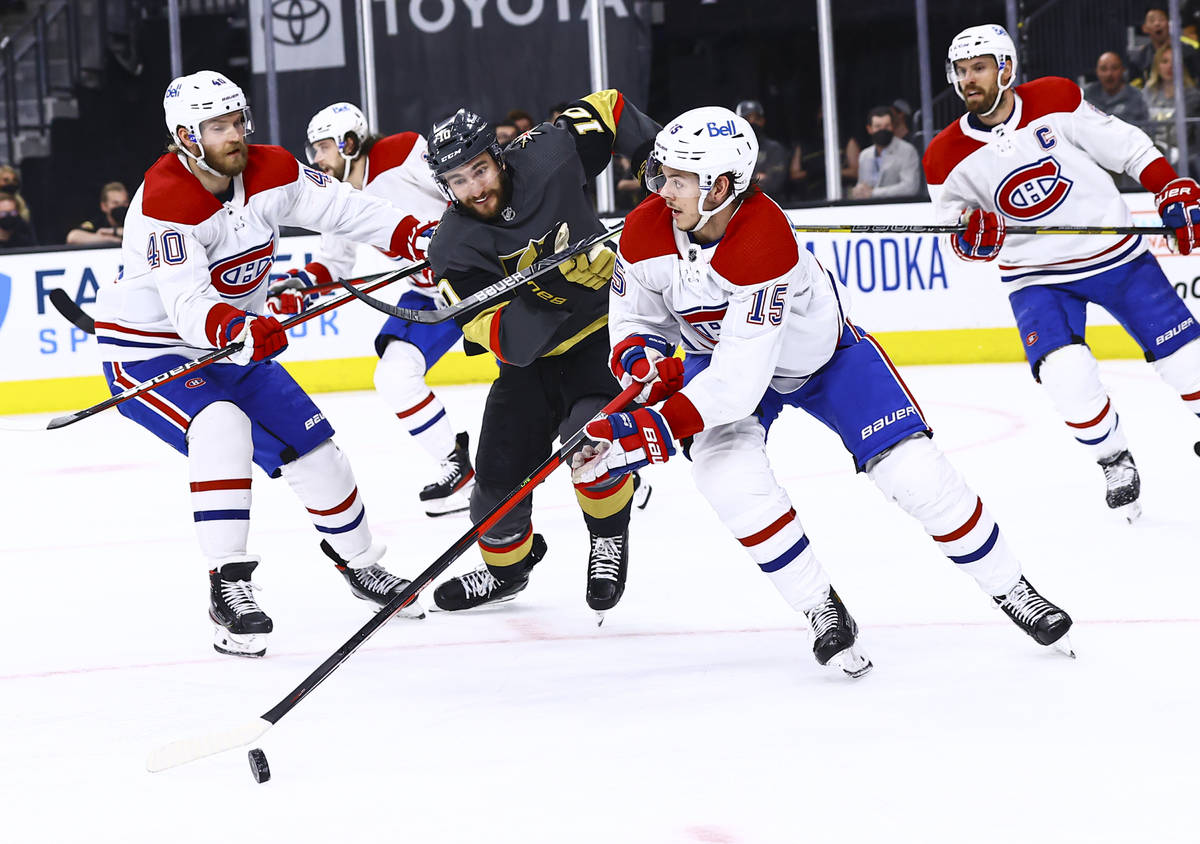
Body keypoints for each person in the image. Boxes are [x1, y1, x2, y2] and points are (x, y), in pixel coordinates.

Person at [572, 105, 1074, 676]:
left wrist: (650, 432)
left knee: (917, 476)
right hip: (721, 360)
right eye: (660, 174)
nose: (662, 190)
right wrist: (645, 355)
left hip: (825, 362)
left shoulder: (763, 241)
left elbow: (738, 384)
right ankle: (821, 610)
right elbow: (635, 315)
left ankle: (1012, 588)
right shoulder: (645, 228)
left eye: (679, 179)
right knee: (726, 478)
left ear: (721, 187)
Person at [92, 71, 433, 658]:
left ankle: (361, 566)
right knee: (221, 425)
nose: (235, 136)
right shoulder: (164, 201)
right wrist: (239, 326)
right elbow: (189, 306)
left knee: (319, 454)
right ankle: (228, 587)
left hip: (233, 347)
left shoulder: (271, 169)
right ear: (186, 136)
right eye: (218, 126)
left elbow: (346, 210)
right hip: (151, 352)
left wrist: (417, 236)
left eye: (238, 121)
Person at [923, 24, 1200, 523]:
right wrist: (972, 237)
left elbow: (1127, 147)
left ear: (1005, 68)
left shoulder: (1054, 97)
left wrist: (1168, 185)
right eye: (962, 71)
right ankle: (1114, 459)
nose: (969, 80)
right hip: (1035, 275)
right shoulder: (943, 155)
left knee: (1189, 363)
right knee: (1065, 375)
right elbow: (956, 231)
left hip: (1114, 252)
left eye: (979, 68)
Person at [424, 91, 660, 621]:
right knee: (493, 491)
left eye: (479, 170)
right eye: (458, 181)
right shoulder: (453, 249)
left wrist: (651, 165)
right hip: (528, 366)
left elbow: (611, 107)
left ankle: (607, 534)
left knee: (592, 442)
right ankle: (509, 570)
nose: (474, 189)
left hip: (603, 336)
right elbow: (507, 340)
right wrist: (557, 285)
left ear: (498, 156)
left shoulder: (549, 151)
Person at [277, 101, 474, 518]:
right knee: (394, 376)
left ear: (349, 142)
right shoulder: (334, 196)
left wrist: (456, 240)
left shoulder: (400, 153)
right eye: (313, 151)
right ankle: (459, 469)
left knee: (534, 375)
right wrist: (305, 284)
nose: (317, 159)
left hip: (479, 282)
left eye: (323, 147)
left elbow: (463, 193)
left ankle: (603, 460)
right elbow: (335, 263)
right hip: (428, 295)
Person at [1141, 43, 1200, 161]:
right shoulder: (1146, 93)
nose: (1170, 66)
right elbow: (1142, 128)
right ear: (1157, 65)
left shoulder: (1193, 96)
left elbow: (1180, 136)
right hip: (1148, 152)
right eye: (1164, 61)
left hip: (1182, 157)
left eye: (1175, 62)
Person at [850, 105, 922, 199]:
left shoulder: (907, 151)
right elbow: (862, 186)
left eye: (887, 126)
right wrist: (858, 191)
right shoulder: (865, 155)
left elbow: (910, 187)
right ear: (869, 129)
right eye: (878, 126)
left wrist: (874, 193)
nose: (882, 130)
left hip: (899, 208)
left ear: (892, 127)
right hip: (869, 209)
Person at [1129, 5, 1200, 87]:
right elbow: (1135, 89)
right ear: (1144, 28)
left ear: (1169, 24)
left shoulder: (1189, 52)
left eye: (1161, 19)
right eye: (1152, 21)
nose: (1157, 23)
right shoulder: (1140, 59)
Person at [734, 100, 789, 196]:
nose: (752, 122)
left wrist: (743, 181)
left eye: (756, 118)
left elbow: (774, 183)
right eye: (746, 119)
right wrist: (757, 177)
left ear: (763, 121)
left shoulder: (774, 148)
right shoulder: (730, 150)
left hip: (770, 205)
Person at [1083, 51, 1150, 127]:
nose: (1109, 74)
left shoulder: (1137, 97)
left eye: (1114, 68)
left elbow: (1145, 128)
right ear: (1097, 72)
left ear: (1123, 70)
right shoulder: (1087, 95)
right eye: (1103, 69)